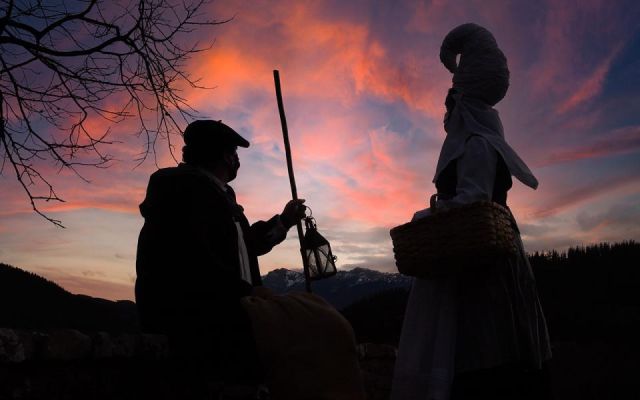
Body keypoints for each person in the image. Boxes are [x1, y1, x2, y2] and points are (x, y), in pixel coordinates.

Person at [391, 23, 553, 400]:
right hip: (478, 249)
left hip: (479, 259)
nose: (445, 115)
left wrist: (428, 218)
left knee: (483, 343)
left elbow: (473, 201)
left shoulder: (476, 145)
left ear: (461, 104)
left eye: (449, 106)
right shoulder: (476, 142)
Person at [135, 119, 306, 392]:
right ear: (226, 156)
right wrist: (251, 295)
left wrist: (283, 221)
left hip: (224, 326)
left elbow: (244, 245)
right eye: (235, 154)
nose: (238, 160)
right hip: (199, 332)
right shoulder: (185, 193)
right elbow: (196, 266)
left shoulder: (217, 195)